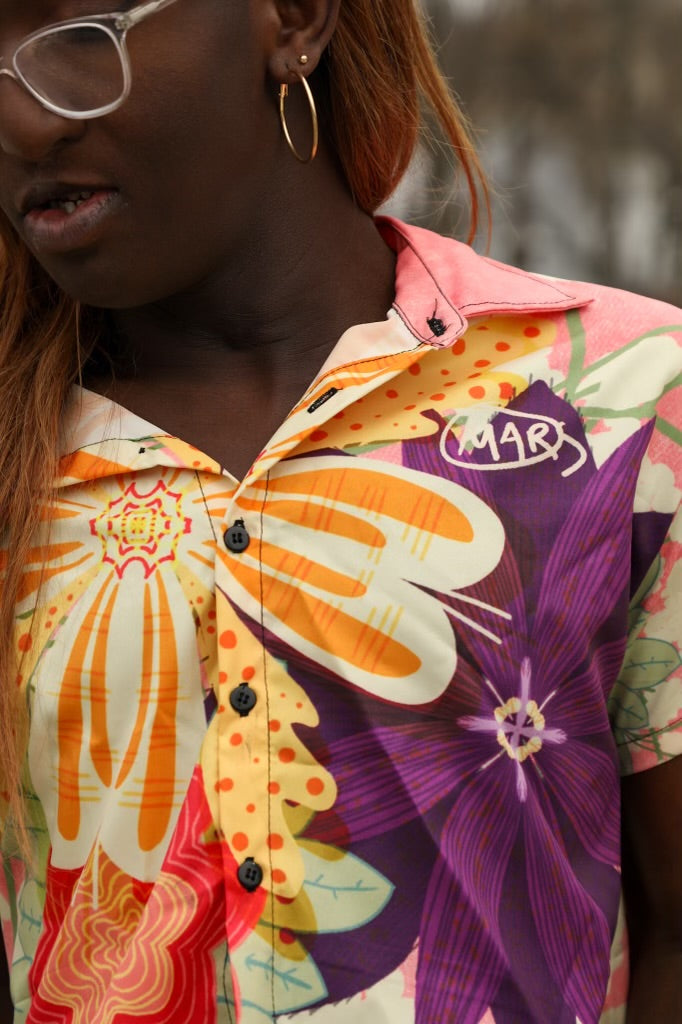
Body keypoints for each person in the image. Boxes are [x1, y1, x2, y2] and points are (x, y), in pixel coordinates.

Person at [0, 0, 680, 1021]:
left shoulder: (621, 402)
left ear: (294, 20)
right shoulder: (21, 449)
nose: (23, 117)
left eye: (85, 31)